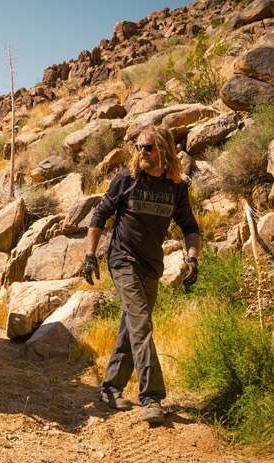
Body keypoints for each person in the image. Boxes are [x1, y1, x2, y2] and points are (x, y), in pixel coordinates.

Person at [81, 126, 201, 424]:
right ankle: (152, 397)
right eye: (139, 147)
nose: (142, 153)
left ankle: (110, 389)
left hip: (151, 266)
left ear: (164, 151)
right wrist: (90, 255)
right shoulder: (126, 179)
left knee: (131, 327)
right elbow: (99, 215)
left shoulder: (176, 188)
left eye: (148, 148)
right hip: (122, 261)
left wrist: (192, 257)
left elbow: (190, 227)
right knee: (142, 324)